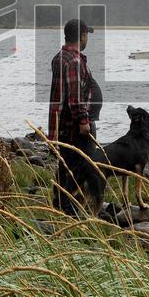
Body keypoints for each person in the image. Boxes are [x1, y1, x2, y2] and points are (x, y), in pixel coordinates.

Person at [49, 18, 102, 215]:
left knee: (66, 163)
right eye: (87, 34)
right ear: (82, 36)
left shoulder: (60, 57)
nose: (87, 39)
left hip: (62, 123)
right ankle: (68, 207)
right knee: (81, 164)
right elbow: (75, 96)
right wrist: (83, 121)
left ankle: (60, 201)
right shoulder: (74, 61)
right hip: (75, 126)